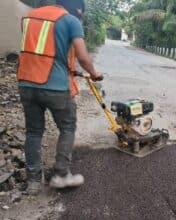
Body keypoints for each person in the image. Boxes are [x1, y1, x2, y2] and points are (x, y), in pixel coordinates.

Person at [17, 0, 103, 195]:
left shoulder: (29, 17)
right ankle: (61, 175)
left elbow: (40, 51)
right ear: (77, 9)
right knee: (67, 127)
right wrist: (94, 72)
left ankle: (33, 182)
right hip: (54, 86)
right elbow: (82, 56)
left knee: (33, 132)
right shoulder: (70, 20)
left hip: (26, 83)